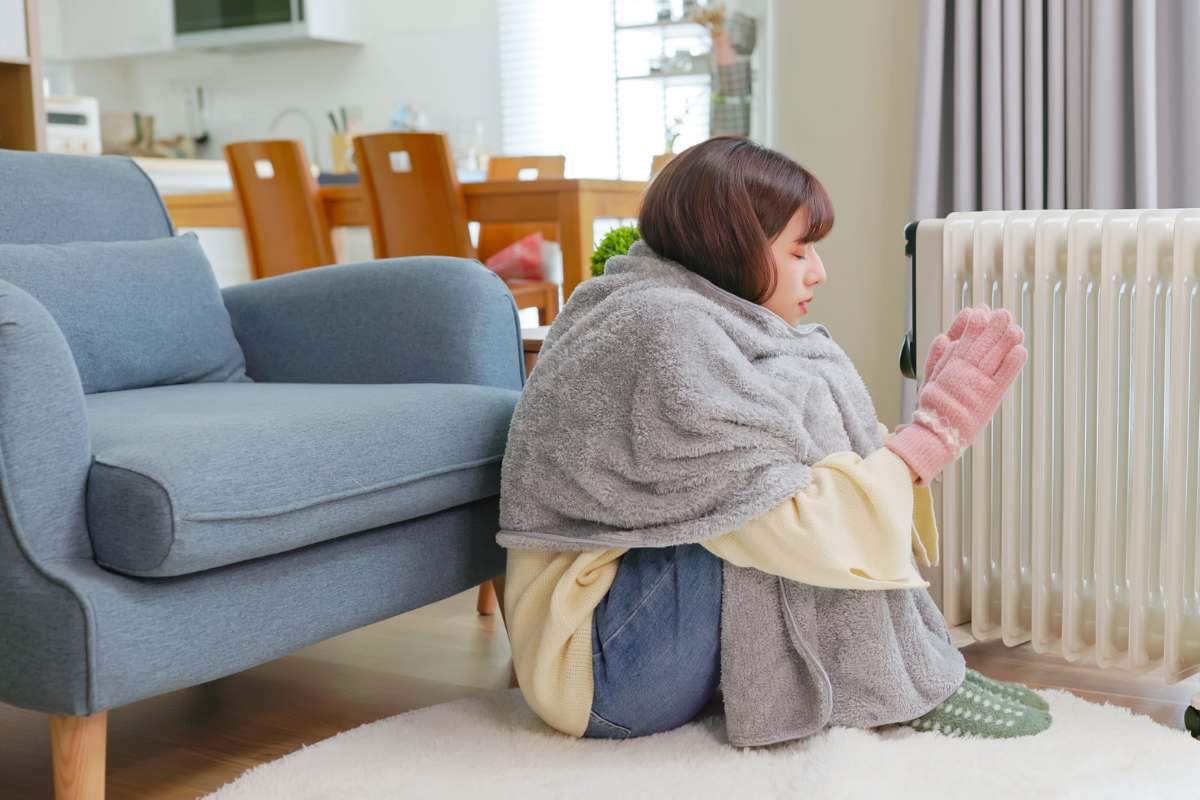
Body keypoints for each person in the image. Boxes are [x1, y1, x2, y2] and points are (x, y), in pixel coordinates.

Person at [498, 136, 1045, 743]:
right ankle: (884, 687)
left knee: (783, 445)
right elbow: (786, 520)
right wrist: (933, 434)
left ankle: (905, 666)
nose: (819, 271)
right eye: (799, 250)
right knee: (768, 493)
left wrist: (913, 441)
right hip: (601, 674)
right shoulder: (662, 329)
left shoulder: (692, 313)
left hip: (634, 639)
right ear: (732, 246)